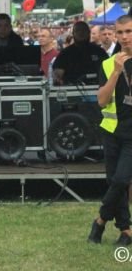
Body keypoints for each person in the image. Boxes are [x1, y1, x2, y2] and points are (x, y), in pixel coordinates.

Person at [87, 14, 132, 246]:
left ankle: (100, 220)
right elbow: (102, 101)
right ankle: (126, 230)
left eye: (129, 32)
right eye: (120, 32)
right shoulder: (108, 63)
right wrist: (115, 72)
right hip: (112, 130)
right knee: (114, 180)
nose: (124, 37)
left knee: (122, 179)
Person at [52, 21, 108, 85]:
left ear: (89, 32)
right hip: (71, 89)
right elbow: (57, 76)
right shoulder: (65, 53)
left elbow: (108, 71)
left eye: (84, 30)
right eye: (78, 31)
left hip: (98, 88)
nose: (81, 33)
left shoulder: (99, 51)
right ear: (73, 33)